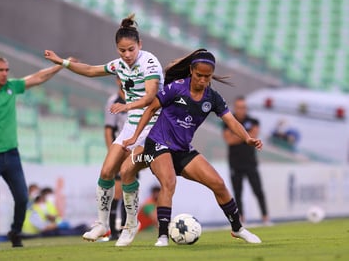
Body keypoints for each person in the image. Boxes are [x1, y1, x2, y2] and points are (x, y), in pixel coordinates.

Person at [44, 14, 164, 246]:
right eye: (122, 50)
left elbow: (150, 97)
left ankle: (131, 224)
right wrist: (62, 62)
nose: (127, 55)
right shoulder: (119, 65)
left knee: (127, 171)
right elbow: (89, 70)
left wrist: (126, 105)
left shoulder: (149, 62)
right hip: (132, 123)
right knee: (107, 171)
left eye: (131, 49)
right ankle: (102, 224)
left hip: (154, 122)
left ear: (140, 45)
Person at [122, 49, 263, 247]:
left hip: (182, 149)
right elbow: (152, 108)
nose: (202, 80)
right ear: (191, 71)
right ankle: (163, 236)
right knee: (169, 182)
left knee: (218, 184)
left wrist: (247, 138)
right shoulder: (176, 88)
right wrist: (135, 137)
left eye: (207, 77)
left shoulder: (213, 98)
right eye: (199, 75)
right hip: (158, 142)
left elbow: (231, 120)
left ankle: (238, 228)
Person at [0, 56, 63, 249]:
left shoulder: (12, 87)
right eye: (0, 70)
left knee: (22, 198)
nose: (4, 74)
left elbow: (38, 78)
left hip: (11, 154)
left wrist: (62, 65)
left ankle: (15, 232)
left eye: (7, 70)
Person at [223, 96, 270, 224]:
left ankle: (265, 217)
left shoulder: (253, 121)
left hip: (250, 162)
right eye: (238, 107)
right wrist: (246, 135)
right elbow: (229, 140)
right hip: (235, 163)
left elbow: (254, 135)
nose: (241, 110)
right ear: (235, 108)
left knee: (258, 190)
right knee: (237, 193)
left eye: (243, 107)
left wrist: (238, 135)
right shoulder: (228, 121)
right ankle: (241, 219)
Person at [104, 77, 127, 240]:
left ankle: (126, 229)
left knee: (130, 191)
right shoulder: (113, 101)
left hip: (132, 152)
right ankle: (113, 230)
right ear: (117, 80)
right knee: (118, 192)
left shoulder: (136, 99)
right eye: (120, 78)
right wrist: (112, 153)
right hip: (119, 152)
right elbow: (108, 129)